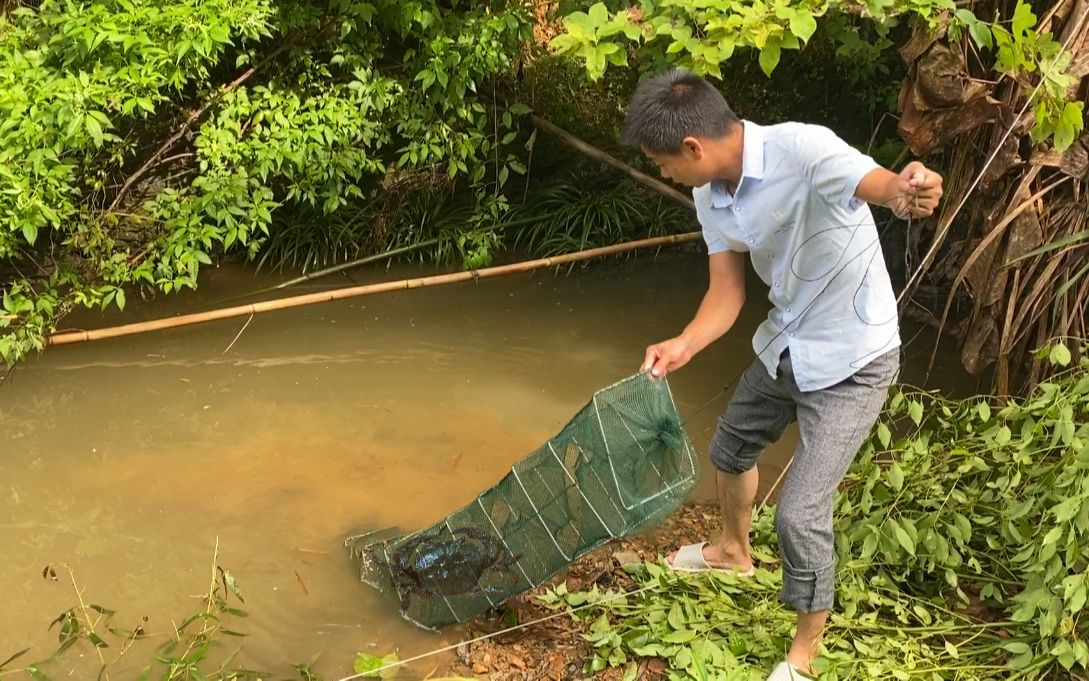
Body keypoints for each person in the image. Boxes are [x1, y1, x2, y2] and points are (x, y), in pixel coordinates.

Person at [621, 68, 943, 680]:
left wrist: (912, 188)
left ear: (693, 148)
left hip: (855, 359)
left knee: (800, 511)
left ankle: (802, 658)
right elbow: (726, 293)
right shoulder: (708, 194)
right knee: (731, 446)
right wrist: (685, 343)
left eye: (663, 164)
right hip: (787, 344)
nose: (665, 175)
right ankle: (732, 552)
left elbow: (881, 186)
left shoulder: (804, 148)